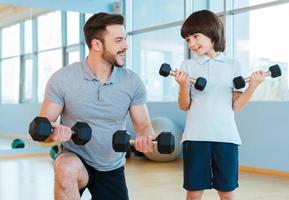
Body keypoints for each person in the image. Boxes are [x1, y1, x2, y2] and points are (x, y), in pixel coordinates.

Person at [39, 12, 156, 200]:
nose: (125, 46)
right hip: (75, 157)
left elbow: (143, 127)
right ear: (96, 44)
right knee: (65, 168)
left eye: (125, 39)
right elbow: (42, 130)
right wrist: (53, 133)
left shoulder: (132, 82)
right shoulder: (63, 79)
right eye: (118, 40)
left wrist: (145, 140)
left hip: (111, 165)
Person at [175, 10, 265, 200]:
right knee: (194, 193)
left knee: (227, 193)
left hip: (226, 137)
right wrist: (183, 86)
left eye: (195, 36)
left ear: (211, 32)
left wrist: (253, 87)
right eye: (187, 39)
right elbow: (184, 106)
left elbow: (237, 106)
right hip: (196, 136)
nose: (191, 43)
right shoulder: (187, 65)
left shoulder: (233, 65)